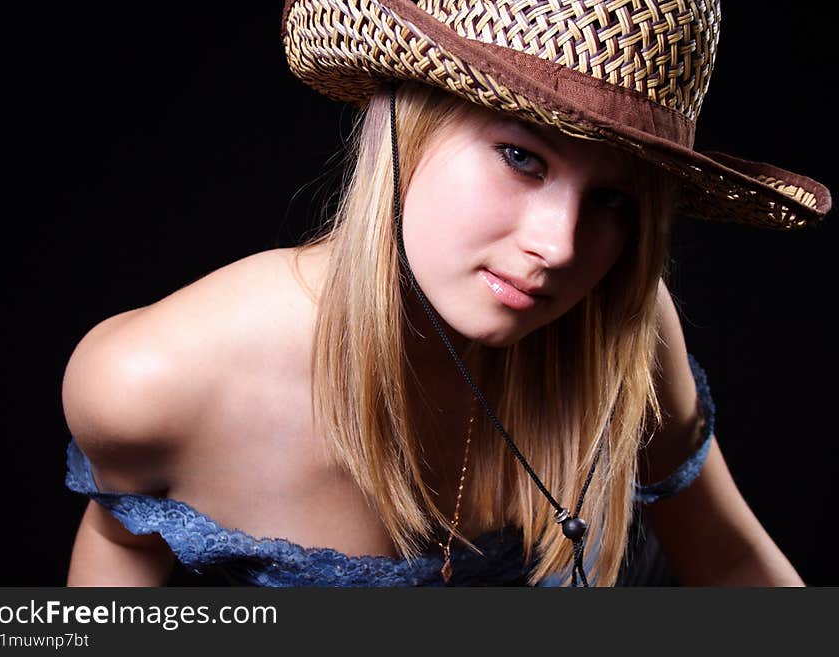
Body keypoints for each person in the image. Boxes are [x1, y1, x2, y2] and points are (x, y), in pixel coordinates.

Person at [62, 0, 831, 587]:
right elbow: (121, 545)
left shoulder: (622, 331)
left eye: (614, 201)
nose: (558, 248)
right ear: (400, 120)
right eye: (521, 158)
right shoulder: (154, 378)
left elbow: (731, 564)